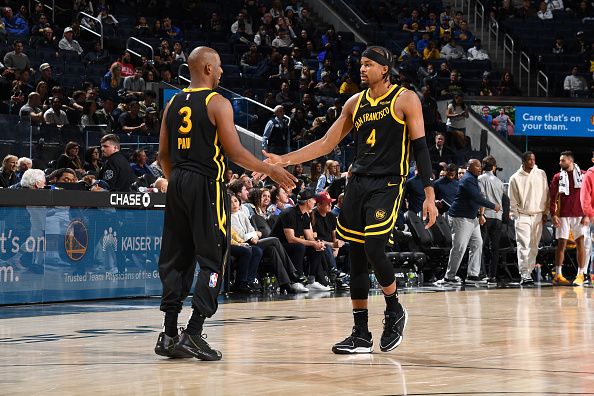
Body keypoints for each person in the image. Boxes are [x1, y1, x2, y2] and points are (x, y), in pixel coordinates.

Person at [262, 46, 438, 354]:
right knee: (355, 254)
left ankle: (394, 309)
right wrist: (284, 160)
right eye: (361, 63)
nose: (363, 68)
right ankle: (360, 334)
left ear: (385, 68)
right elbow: (325, 143)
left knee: (373, 246)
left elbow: (421, 148)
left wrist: (429, 193)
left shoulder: (405, 99)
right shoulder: (354, 103)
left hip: (387, 184)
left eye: (369, 64)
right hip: (357, 182)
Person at [154, 46, 296, 362]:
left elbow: (163, 154)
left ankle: (168, 334)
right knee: (212, 258)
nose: (221, 73)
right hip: (205, 183)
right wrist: (268, 168)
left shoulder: (172, 103)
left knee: (176, 258)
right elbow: (233, 152)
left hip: (176, 181)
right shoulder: (218, 102)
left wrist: (179, 182)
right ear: (206, 68)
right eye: (218, 67)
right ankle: (193, 331)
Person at [440, 159, 500, 286]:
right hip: (460, 217)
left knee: (477, 244)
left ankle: (473, 275)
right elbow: (477, 198)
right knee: (459, 247)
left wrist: (479, 214)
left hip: (472, 218)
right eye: (477, 166)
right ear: (469, 167)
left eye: (480, 166)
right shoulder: (467, 179)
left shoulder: (473, 179)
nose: (480, 168)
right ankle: (449, 277)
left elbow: (476, 200)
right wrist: (493, 205)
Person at [508, 151, 549, 285]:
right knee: (523, 244)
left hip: (538, 214)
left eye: (534, 159)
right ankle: (524, 273)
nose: (532, 162)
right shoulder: (515, 177)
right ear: (524, 162)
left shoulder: (541, 173)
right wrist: (515, 215)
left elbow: (546, 193)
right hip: (523, 215)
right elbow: (512, 199)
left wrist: (545, 213)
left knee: (534, 246)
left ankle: (529, 271)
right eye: (530, 160)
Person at [549, 151, 588, 286]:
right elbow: (552, 197)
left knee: (580, 244)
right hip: (563, 215)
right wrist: (553, 214)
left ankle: (580, 274)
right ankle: (558, 275)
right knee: (561, 245)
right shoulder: (557, 177)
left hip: (580, 214)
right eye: (560, 161)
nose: (560, 163)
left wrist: (588, 215)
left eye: (562, 160)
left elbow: (590, 196)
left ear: (570, 161)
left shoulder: (583, 175)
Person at [478, 156, 505, 285]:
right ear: (494, 167)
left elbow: (482, 198)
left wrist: (481, 214)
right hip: (498, 217)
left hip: (486, 216)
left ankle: (482, 274)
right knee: (495, 248)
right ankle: (492, 276)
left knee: (480, 247)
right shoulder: (499, 182)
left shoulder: (480, 179)